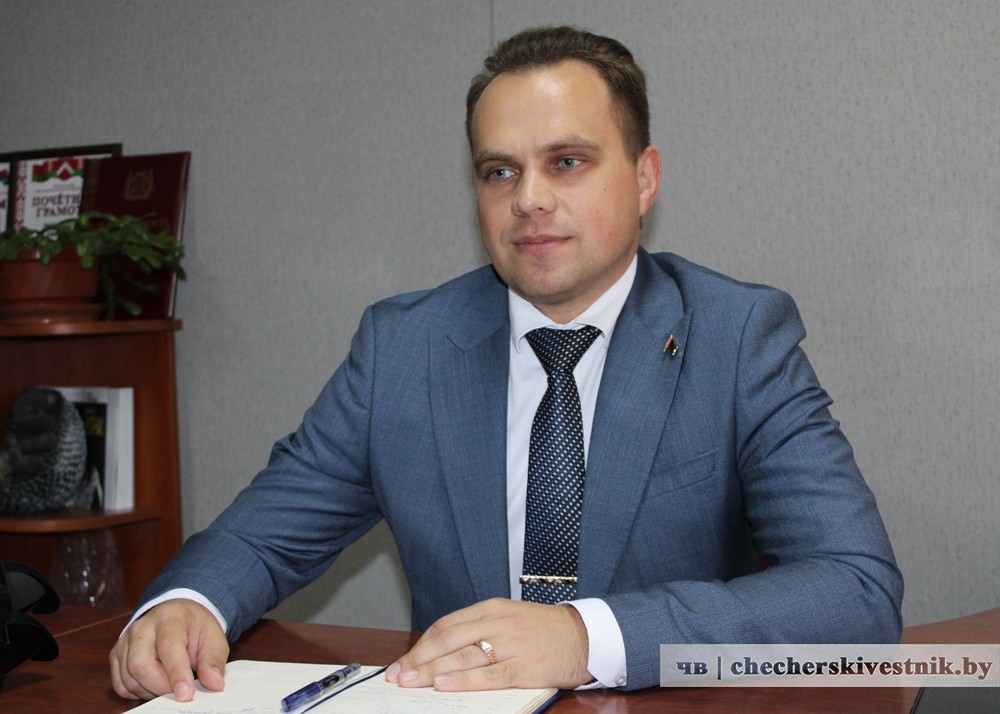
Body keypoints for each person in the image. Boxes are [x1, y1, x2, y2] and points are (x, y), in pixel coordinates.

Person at [110, 26, 903, 701]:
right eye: (500, 171)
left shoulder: (736, 337)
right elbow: (260, 540)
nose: (528, 199)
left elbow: (855, 591)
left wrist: (586, 638)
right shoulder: (404, 348)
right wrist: (187, 605)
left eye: (567, 162)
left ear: (645, 179)